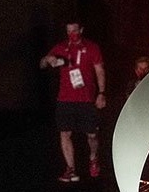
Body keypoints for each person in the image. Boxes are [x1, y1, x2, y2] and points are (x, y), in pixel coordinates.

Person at [39, 22, 107, 182]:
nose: (72, 34)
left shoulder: (91, 47)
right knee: (65, 133)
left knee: (91, 134)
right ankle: (71, 169)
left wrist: (101, 93)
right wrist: (48, 59)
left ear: (81, 30)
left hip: (86, 98)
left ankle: (93, 157)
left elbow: (99, 70)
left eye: (75, 30)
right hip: (65, 99)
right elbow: (42, 64)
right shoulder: (61, 47)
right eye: (68, 31)